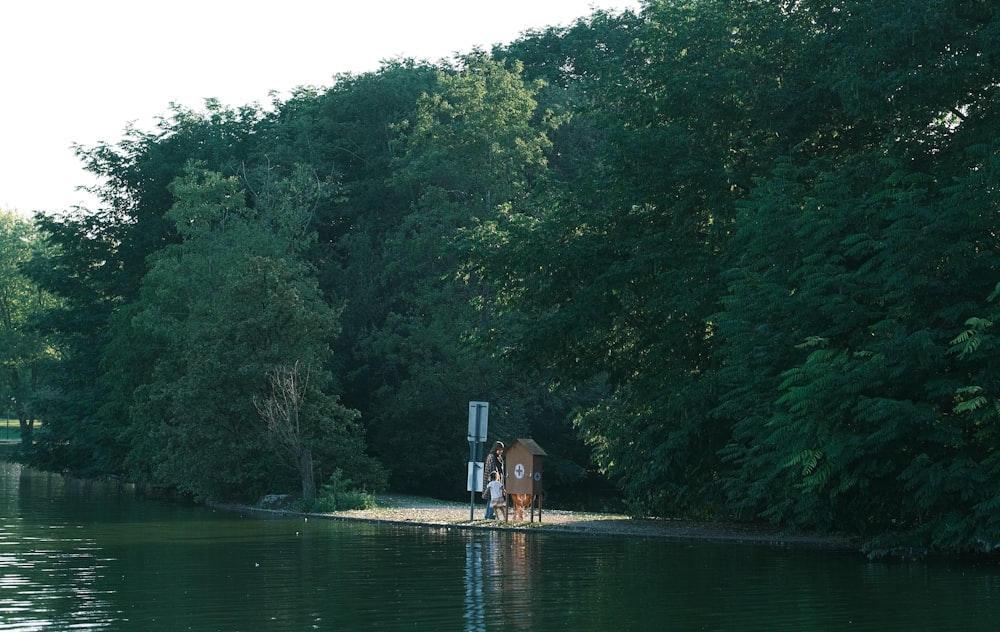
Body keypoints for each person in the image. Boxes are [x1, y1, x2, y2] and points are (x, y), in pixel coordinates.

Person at [482, 441, 505, 519]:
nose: (501, 451)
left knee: (492, 498)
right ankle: (489, 515)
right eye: (500, 449)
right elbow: (492, 470)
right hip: (492, 480)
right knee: (492, 498)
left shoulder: (498, 457)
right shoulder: (491, 457)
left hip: (496, 480)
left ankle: (488, 515)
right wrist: (495, 480)